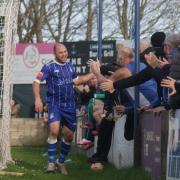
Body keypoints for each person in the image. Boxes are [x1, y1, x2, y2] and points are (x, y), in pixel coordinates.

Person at [32, 43, 95, 174]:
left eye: (65, 51)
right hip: (55, 104)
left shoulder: (70, 65)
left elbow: (77, 81)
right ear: (55, 54)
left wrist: (94, 72)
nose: (64, 54)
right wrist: (38, 98)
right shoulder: (49, 66)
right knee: (54, 131)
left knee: (69, 136)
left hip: (70, 106)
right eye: (61, 52)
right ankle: (50, 163)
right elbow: (36, 82)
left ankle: (60, 162)